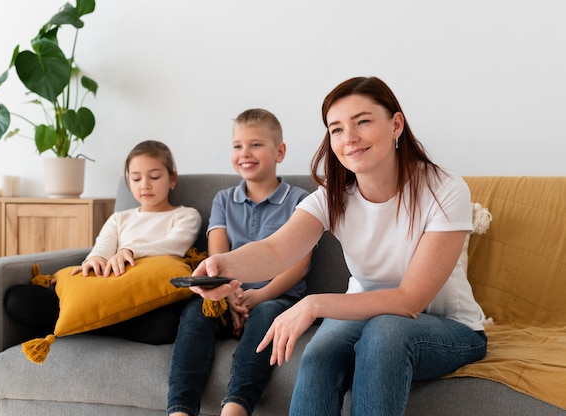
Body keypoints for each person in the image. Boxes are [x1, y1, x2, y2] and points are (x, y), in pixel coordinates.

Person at [190, 77, 488, 415]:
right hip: (361, 314)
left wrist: (313, 305)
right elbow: (275, 250)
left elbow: (410, 301)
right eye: (336, 129)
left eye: (362, 121)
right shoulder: (334, 195)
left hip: (449, 326)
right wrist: (223, 266)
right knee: (320, 355)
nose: (350, 138)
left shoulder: (444, 189)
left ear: (396, 125)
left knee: (385, 332)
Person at [167, 109, 312, 416]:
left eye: (256, 144)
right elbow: (217, 256)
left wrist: (259, 296)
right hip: (228, 295)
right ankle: (179, 409)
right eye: (237, 146)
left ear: (280, 151)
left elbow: (297, 264)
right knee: (195, 313)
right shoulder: (222, 200)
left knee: (268, 315)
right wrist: (231, 296)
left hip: (277, 297)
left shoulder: (300, 200)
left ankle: (236, 407)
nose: (245, 153)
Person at [4, 140, 202, 344]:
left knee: (168, 324)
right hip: (106, 290)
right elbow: (103, 246)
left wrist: (129, 251)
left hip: (143, 296)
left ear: (172, 178)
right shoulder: (120, 218)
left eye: (154, 176)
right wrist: (96, 259)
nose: (145, 184)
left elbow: (175, 244)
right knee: (16, 298)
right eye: (135, 178)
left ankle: (82, 322)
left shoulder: (185, 215)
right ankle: (96, 320)